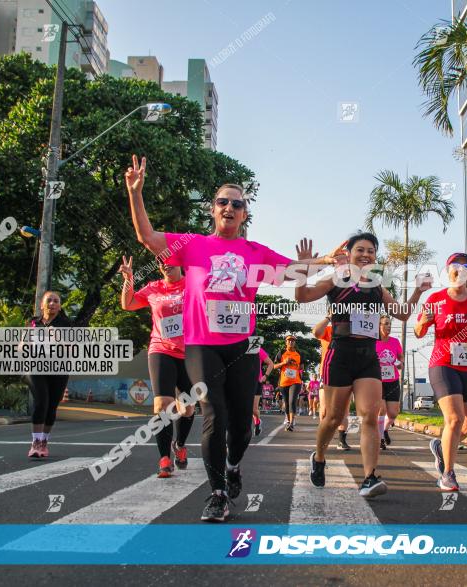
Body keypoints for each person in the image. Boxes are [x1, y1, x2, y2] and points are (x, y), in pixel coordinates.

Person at [125, 154, 337, 522]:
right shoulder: (191, 245)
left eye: (237, 204)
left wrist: (329, 259)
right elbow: (147, 236)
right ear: (213, 209)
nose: (229, 207)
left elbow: (291, 271)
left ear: (243, 215)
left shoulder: (254, 252)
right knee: (214, 414)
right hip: (201, 346)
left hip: (242, 348)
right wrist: (135, 193)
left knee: (240, 424)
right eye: (223, 201)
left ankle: (234, 463)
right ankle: (218, 493)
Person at [299, 232, 429, 497]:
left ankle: (369, 477)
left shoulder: (378, 288)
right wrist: (303, 270)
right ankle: (320, 456)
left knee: (370, 417)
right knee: (333, 417)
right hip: (340, 355)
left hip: (368, 357)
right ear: (348, 253)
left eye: (371, 251)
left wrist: (417, 291)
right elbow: (302, 297)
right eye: (361, 250)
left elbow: (402, 314)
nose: (366, 255)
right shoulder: (336, 280)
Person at [417, 254, 467, 490]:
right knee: (454, 419)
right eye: (454, 266)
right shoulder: (435, 299)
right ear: (448, 271)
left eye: (465, 267)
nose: (459, 270)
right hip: (443, 364)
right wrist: (423, 321)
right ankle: (448, 473)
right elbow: (419, 332)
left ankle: (440, 446)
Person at [120, 255, 196, 477]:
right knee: (163, 404)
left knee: (188, 407)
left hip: (190, 353)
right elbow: (128, 304)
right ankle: (164, 458)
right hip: (161, 349)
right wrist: (128, 279)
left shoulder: (193, 283)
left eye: (170, 260)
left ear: (181, 262)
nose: (165, 264)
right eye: (161, 261)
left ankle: (179, 445)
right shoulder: (153, 288)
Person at [26, 291, 73, 458]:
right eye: (49, 300)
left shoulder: (65, 324)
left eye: (56, 301)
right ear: (42, 305)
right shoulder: (33, 322)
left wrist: (56, 336)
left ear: (59, 307)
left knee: (51, 406)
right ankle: (35, 443)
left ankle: (44, 442)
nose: (52, 303)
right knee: (41, 403)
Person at [314, 316, 351, 449]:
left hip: (346, 371)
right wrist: (328, 317)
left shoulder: (351, 330)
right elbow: (316, 332)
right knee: (324, 410)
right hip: (327, 371)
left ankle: (342, 440)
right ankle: (323, 439)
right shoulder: (327, 330)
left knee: (344, 411)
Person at [376, 315, 404, 450]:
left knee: (393, 413)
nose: (388, 326)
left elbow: (400, 357)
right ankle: (380, 438)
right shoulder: (373, 341)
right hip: (378, 381)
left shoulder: (395, 341)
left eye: (390, 324)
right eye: (385, 324)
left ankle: (385, 430)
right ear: (379, 325)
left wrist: (401, 363)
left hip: (393, 380)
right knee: (382, 410)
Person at [273, 335, 303, 431]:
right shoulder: (281, 352)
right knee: (286, 402)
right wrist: (284, 363)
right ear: (286, 342)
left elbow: (302, 367)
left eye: (293, 341)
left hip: (296, 381)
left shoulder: (299, 353)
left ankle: (291, 423)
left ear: (295, 343)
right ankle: (289, 420)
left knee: (292, 401)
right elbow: (274, 366)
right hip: (283, 382)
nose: (291, 342)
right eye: (289, 341)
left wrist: (295, 364)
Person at [253, 347, 274, 436]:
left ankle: (257, 422)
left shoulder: (257, 349)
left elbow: (271, 364)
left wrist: (265, 376)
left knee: (253, 409)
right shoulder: (238, 346)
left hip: (257, 381)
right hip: (242, 382)